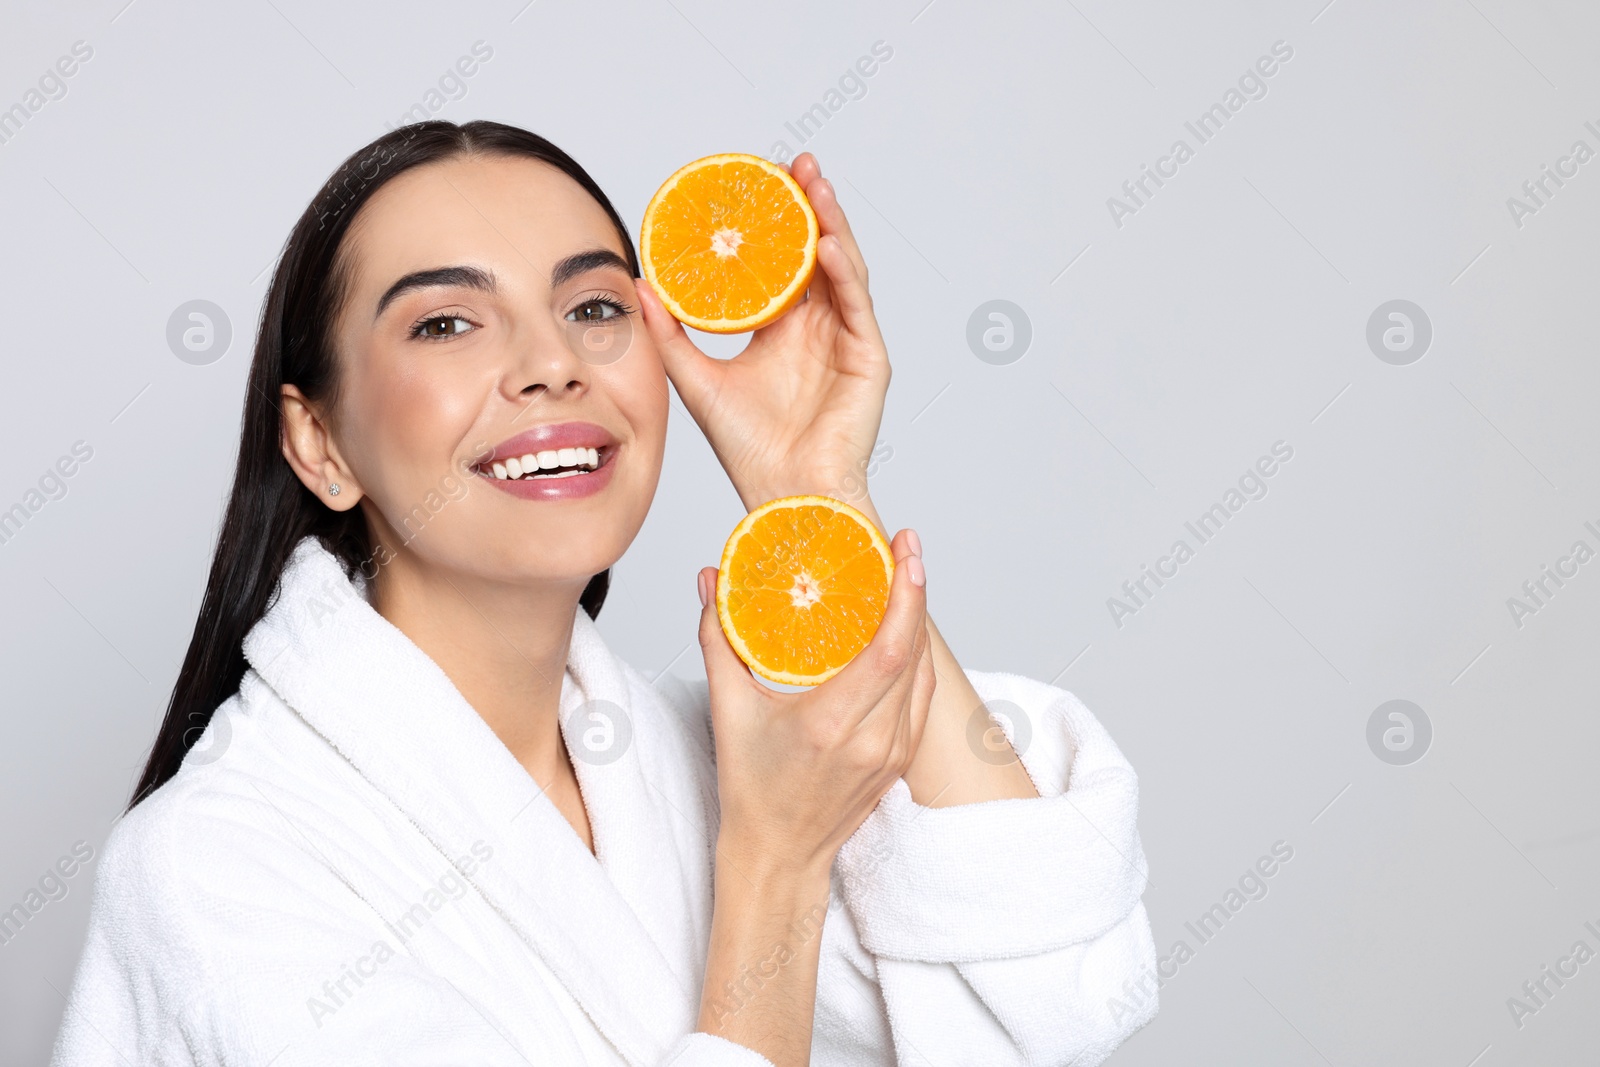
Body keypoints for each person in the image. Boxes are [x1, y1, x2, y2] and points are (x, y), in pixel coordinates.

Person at [50, 120, 1156, 1066]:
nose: (551, 363)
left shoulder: (703, 758)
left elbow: (1052, 985)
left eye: (591, 307)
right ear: (318, 438)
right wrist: (773, 865)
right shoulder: (218, 866)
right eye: (446, 321)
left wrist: (811, 489)